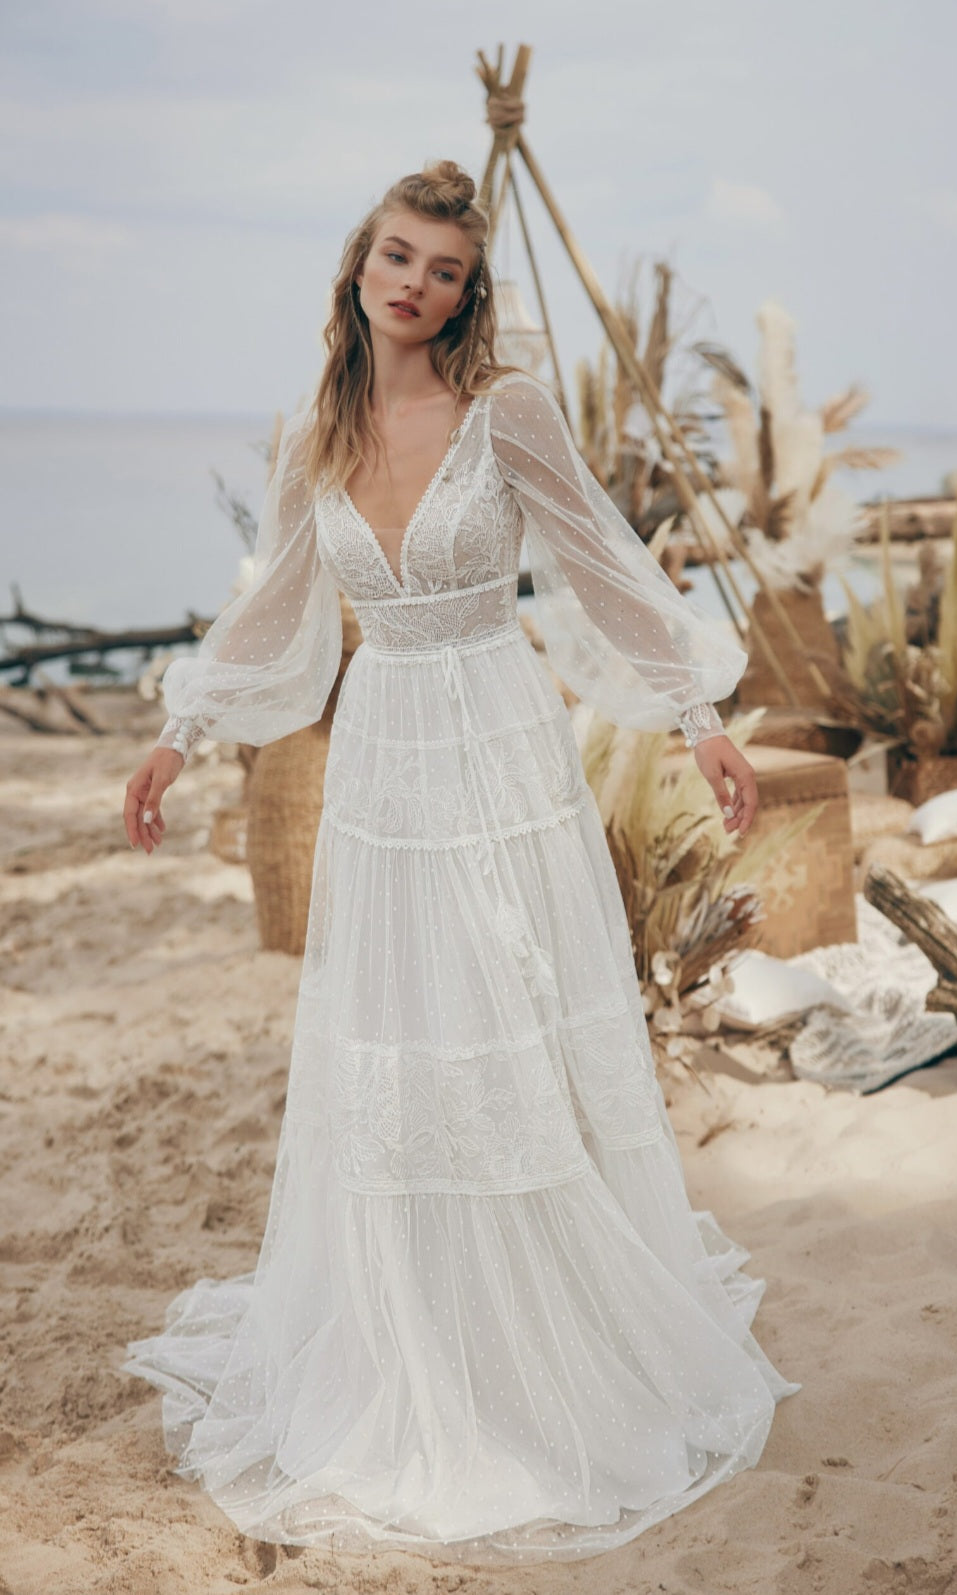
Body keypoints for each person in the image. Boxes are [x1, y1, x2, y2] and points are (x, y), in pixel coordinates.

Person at [120, 158, 798, 1565]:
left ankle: (543, 1335)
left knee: (506, 1018)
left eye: (443, 269)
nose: (415, 285)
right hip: (382, 758)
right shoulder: (313, 430)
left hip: (497, 744)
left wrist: (701, 721)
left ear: (467, 291)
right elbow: (274, 611)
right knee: (402, 1033)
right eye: (397, 257)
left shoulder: (510, 411)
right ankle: (417, 1325)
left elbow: (607, 565)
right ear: (359, 265)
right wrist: (176, 739)